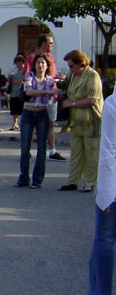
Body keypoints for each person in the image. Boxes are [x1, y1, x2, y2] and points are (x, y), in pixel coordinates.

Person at [81, 90, 116, 295]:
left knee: (104, 239)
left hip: (112, 185)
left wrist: (105, 193)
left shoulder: (112, 104)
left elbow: (108, 151)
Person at [58, 50, 103, 193]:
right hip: (76, 121)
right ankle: (73, 181)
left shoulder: (92, 76)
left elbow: (92, 100)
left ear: (80, 64)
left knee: (91, 153)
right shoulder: (72, 75)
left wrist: (72, 104)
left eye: (71, 66)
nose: (70, 69)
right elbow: (67, 91)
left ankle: (90, 182)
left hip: (91, 121)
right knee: (76, 152)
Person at [15, 54, 57, 189]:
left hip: (42, 113)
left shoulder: (50, 80)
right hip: (28, 112)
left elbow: (53, 95)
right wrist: (48, 91)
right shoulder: (29, 76)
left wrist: (55, 90)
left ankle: (37, 180)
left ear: (47, 65)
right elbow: (29, 92)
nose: (41, 65)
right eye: (38, 62)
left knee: (41, 149)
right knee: (25, 147)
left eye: (43, 63)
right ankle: (23, 178)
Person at [25, 34, 66, 160]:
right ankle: (27, 150)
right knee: (32, 125)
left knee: (51, 124)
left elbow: (50, 75)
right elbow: (27, 75)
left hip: (51, 96)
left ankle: (52, 151)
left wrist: (57, 78)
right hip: (34, 99)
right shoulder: (32, 58)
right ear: (43, 43)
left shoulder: (51, 58)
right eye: (50, 43)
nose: (52, 45)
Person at [7, 54, 26, 130]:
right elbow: (9, 79)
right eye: (17, 63)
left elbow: (21, 81)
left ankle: (22, 124)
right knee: (14, 110)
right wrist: (15, 80)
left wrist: (16, 80)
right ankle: (15, 124)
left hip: (21, 93)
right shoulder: (13, 71)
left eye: (20, 63)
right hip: (13, 93)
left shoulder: (25, 71)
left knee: (22, 109)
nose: (18, 64)